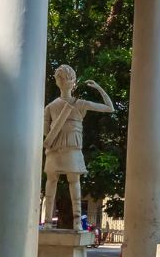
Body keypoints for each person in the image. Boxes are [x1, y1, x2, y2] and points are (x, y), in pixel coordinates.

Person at [40, 65, 117, 228]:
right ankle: (76, 223)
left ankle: (49, 222)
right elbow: (109, 108)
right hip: (69, 149)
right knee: (72, 183)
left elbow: (46, 133)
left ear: (56, 82)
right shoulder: (78, 104)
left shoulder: (51, 107)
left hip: (57, 150)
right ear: (73, 82)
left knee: (52, 184)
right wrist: (99, 89)